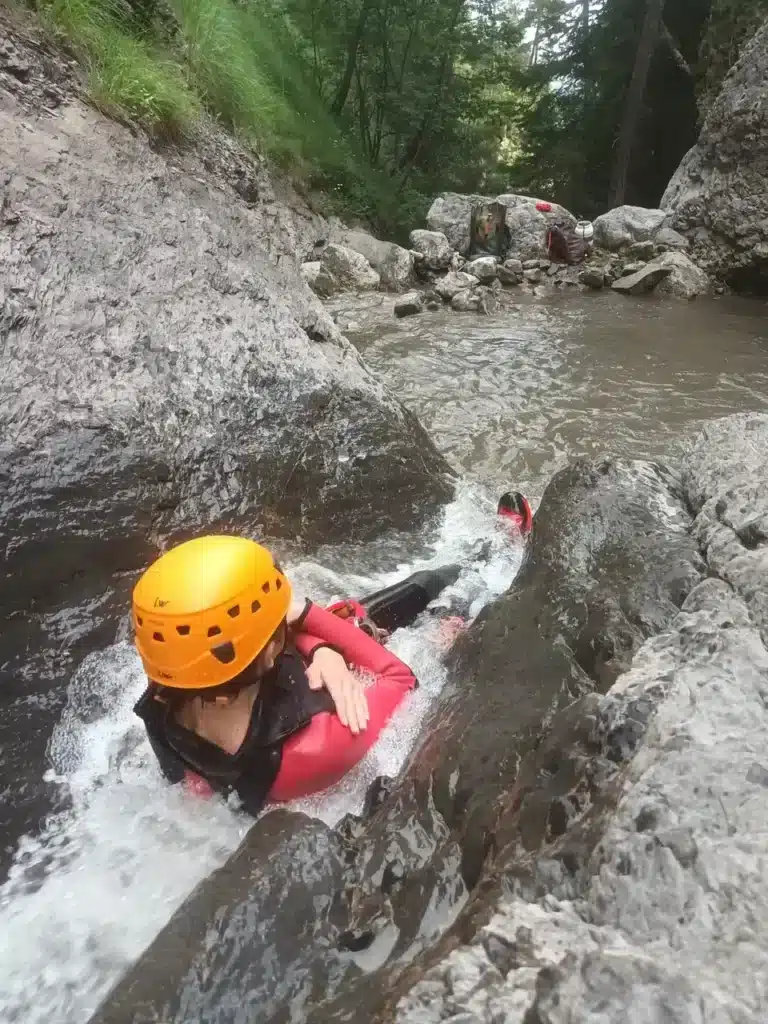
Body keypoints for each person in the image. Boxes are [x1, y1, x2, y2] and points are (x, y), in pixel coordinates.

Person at [132, 492, 533, 815]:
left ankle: (488, 545)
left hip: (316, 663)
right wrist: (308, 616)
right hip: (387, 667)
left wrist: (324, 650)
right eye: (281, 625)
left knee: (420, 584)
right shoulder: (316, 747)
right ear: (272, 648)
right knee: (451, 609)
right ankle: (504, 550)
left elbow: (256, 651)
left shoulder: (172, 686)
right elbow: (403, 679)